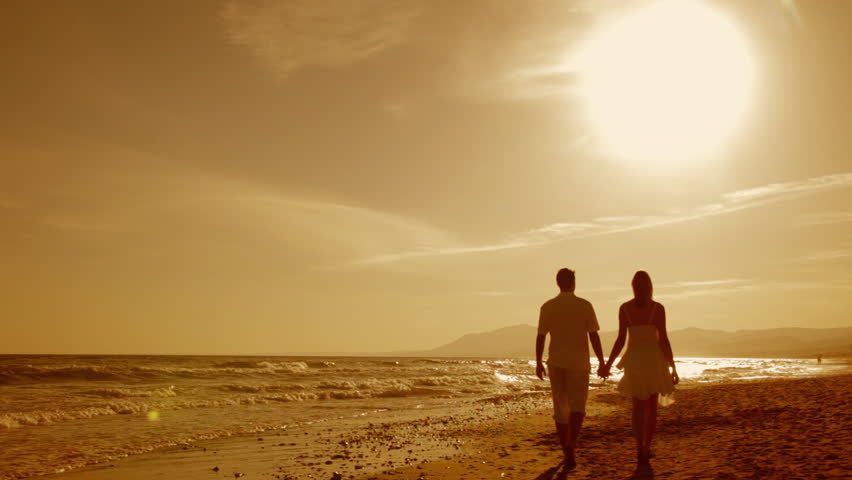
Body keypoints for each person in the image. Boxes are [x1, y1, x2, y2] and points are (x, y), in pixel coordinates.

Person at [600, 270, 678, 465]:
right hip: (653, 359)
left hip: (635, 359)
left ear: (633, 287)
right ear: (650, 287)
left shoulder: (625, 308)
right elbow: (664, 340)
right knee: (651, 407)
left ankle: (639, 447)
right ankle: (646, 446)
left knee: (637, 407)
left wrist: (608, 364)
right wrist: (673, 367)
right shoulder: (658, 308)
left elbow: (620, 340)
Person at [535, 268, 606, 469]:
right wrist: (601, 361)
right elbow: (594, 336)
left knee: (560, 408)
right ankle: (571, 444)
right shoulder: (584, 305)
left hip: (556, 362)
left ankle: (566, 450)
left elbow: (541, 336)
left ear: (558, 283)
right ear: (573, 282)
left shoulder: (548, 306)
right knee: (578, 408)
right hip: (579, 363)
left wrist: (539, 362)